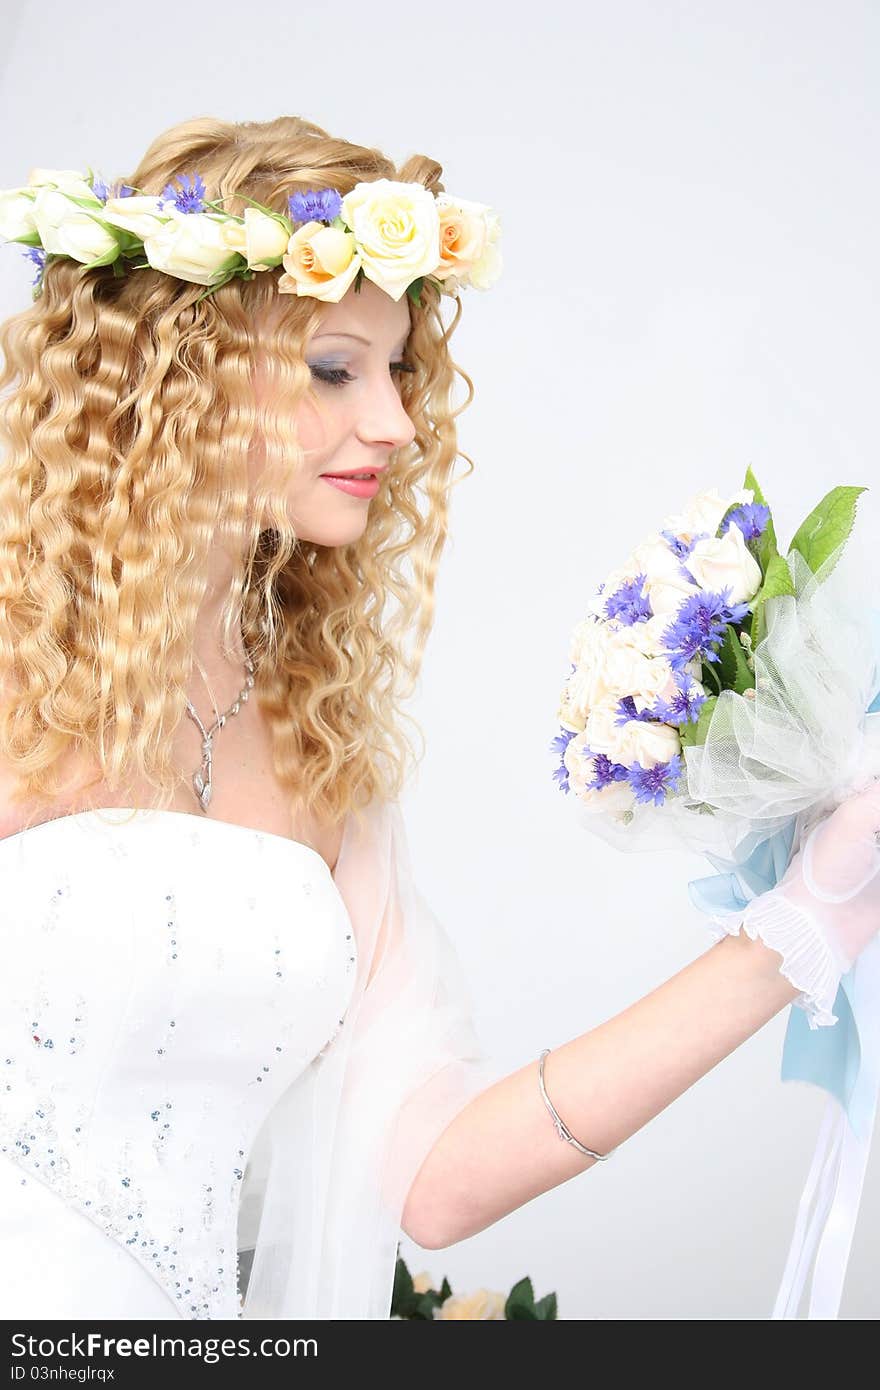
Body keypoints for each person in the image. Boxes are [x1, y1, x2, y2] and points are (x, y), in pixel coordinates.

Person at [0, 114, 877, 1322]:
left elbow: (436, 1177)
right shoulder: (13, 681)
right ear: (175, 369)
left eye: (397, 369)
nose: (396, 424)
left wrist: (807, 919)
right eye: (332, 367)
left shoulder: (315, 754)